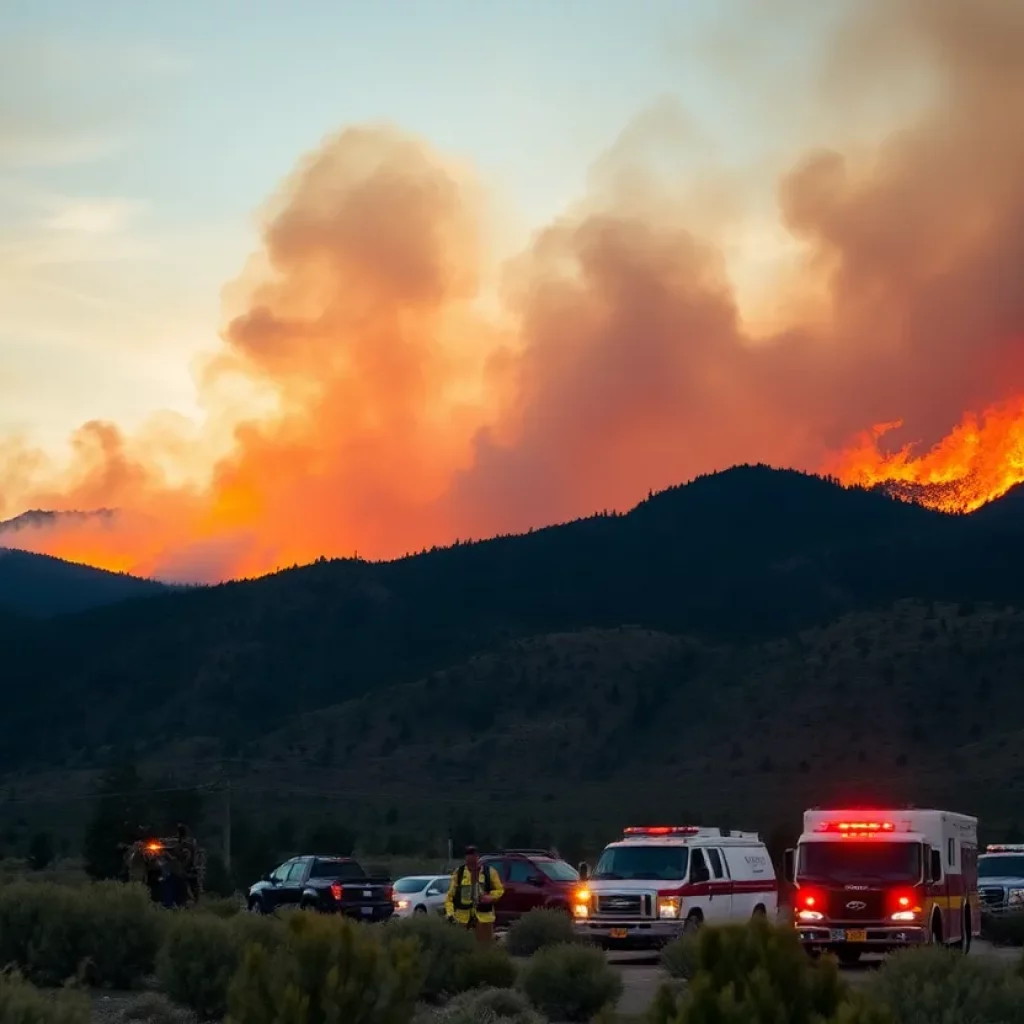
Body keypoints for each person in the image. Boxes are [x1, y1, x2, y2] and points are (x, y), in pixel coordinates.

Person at [444, 845, 504, 944]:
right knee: (463, 947)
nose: (471, 861)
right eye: (468, 857)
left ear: (477, 857)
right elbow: (450, 897)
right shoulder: (459, 873)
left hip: (484, 918)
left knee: (485, 947)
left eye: (473, 857)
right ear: (465, 858)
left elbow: (500, 890)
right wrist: (450, 914)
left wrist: (491, 897)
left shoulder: (489, 872)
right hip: (462, 920)